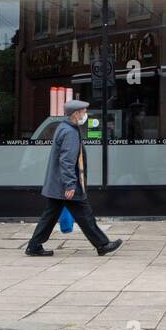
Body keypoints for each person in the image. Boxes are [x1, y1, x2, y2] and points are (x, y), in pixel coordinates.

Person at [25, 99, 123, 257]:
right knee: (85, 214)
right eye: (84, 112)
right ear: (75, 113)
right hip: (66, 185)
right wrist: (70, 185)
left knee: (50, 216)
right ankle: (102, 244)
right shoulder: (69, 132)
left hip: (59, 184)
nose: (86, 114)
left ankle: (34, 246)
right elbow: (67, 161)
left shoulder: (65, 127)